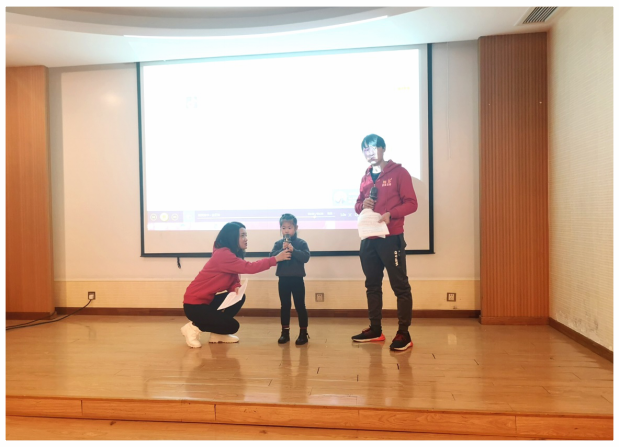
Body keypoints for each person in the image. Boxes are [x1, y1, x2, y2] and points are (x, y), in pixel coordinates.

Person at [352, 134, 418, 351]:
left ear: (383, 148)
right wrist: (363, 205)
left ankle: (404, 333)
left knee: (400, 286)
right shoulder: (365, 177)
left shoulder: (399, 173)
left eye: (373, 148)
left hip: (391, 238)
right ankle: (375, 329)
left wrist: (391, 213)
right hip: (368, 238)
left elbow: (412, 203)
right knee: (372, 285)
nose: (369, 152)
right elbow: (357, 205)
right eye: (365, 149)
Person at [181, 221, 291, 348]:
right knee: (232, 326)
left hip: (206, 302)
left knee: (239, 297)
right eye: (242, 235)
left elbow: (231, 278)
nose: (246, 239)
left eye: (246, 235)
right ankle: (193, 328)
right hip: (194, 305)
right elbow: (250, 267)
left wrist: (235, 287)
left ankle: (217, 335)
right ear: (232, 237)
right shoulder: (223, 254)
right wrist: (275, 259)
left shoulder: (230, 254)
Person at [270, 213, 311, 345]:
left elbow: (305, 257)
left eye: (289, 227)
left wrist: (294, 250)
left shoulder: (301, 243)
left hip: (297, 279)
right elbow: (271, 257)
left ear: (296, 228)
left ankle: (303, 333)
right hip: (283, 279)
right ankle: (285, 333)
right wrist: (280, 252)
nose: (286, 231)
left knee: (300, 305)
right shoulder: (278, 244)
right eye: (284, 228)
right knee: (285, 305)